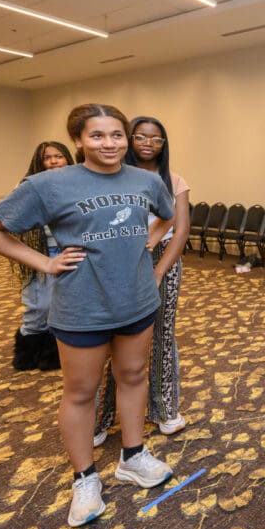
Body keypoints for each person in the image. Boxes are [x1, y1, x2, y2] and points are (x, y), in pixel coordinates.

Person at [0, 103, 176, 528]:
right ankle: (84, 478)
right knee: (80, 392)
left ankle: (133, 456)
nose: (110, 143)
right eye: (97, 135)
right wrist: (44, 263)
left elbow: (166, 219)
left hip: (137, 300)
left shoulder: (146, 180)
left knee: (134, 376)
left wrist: (145, 247)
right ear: (79, 140)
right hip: (82, 305)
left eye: (117, 135)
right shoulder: (49, 184)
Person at [94, 116, 191, 445]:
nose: (149, 143)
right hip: (120, 260)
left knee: (163, 334)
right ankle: (100, 419)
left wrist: (160, 269)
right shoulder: (111, 178)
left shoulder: (174, 180)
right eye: (141, 137)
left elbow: (180, 230)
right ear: (129, 140)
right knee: (114, 341)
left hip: (162, 260)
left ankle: (164, 409)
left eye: (157, 139)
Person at [10, 141, 74, 371]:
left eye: (59, 156)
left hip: (70, 253)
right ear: (40, 162)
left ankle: (54, 353)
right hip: (41, 254)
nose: (54, 161)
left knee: (65, 306)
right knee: (38, 306)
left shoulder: (78, 183)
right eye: (48, 157)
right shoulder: (28, 187)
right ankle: (28, 350)